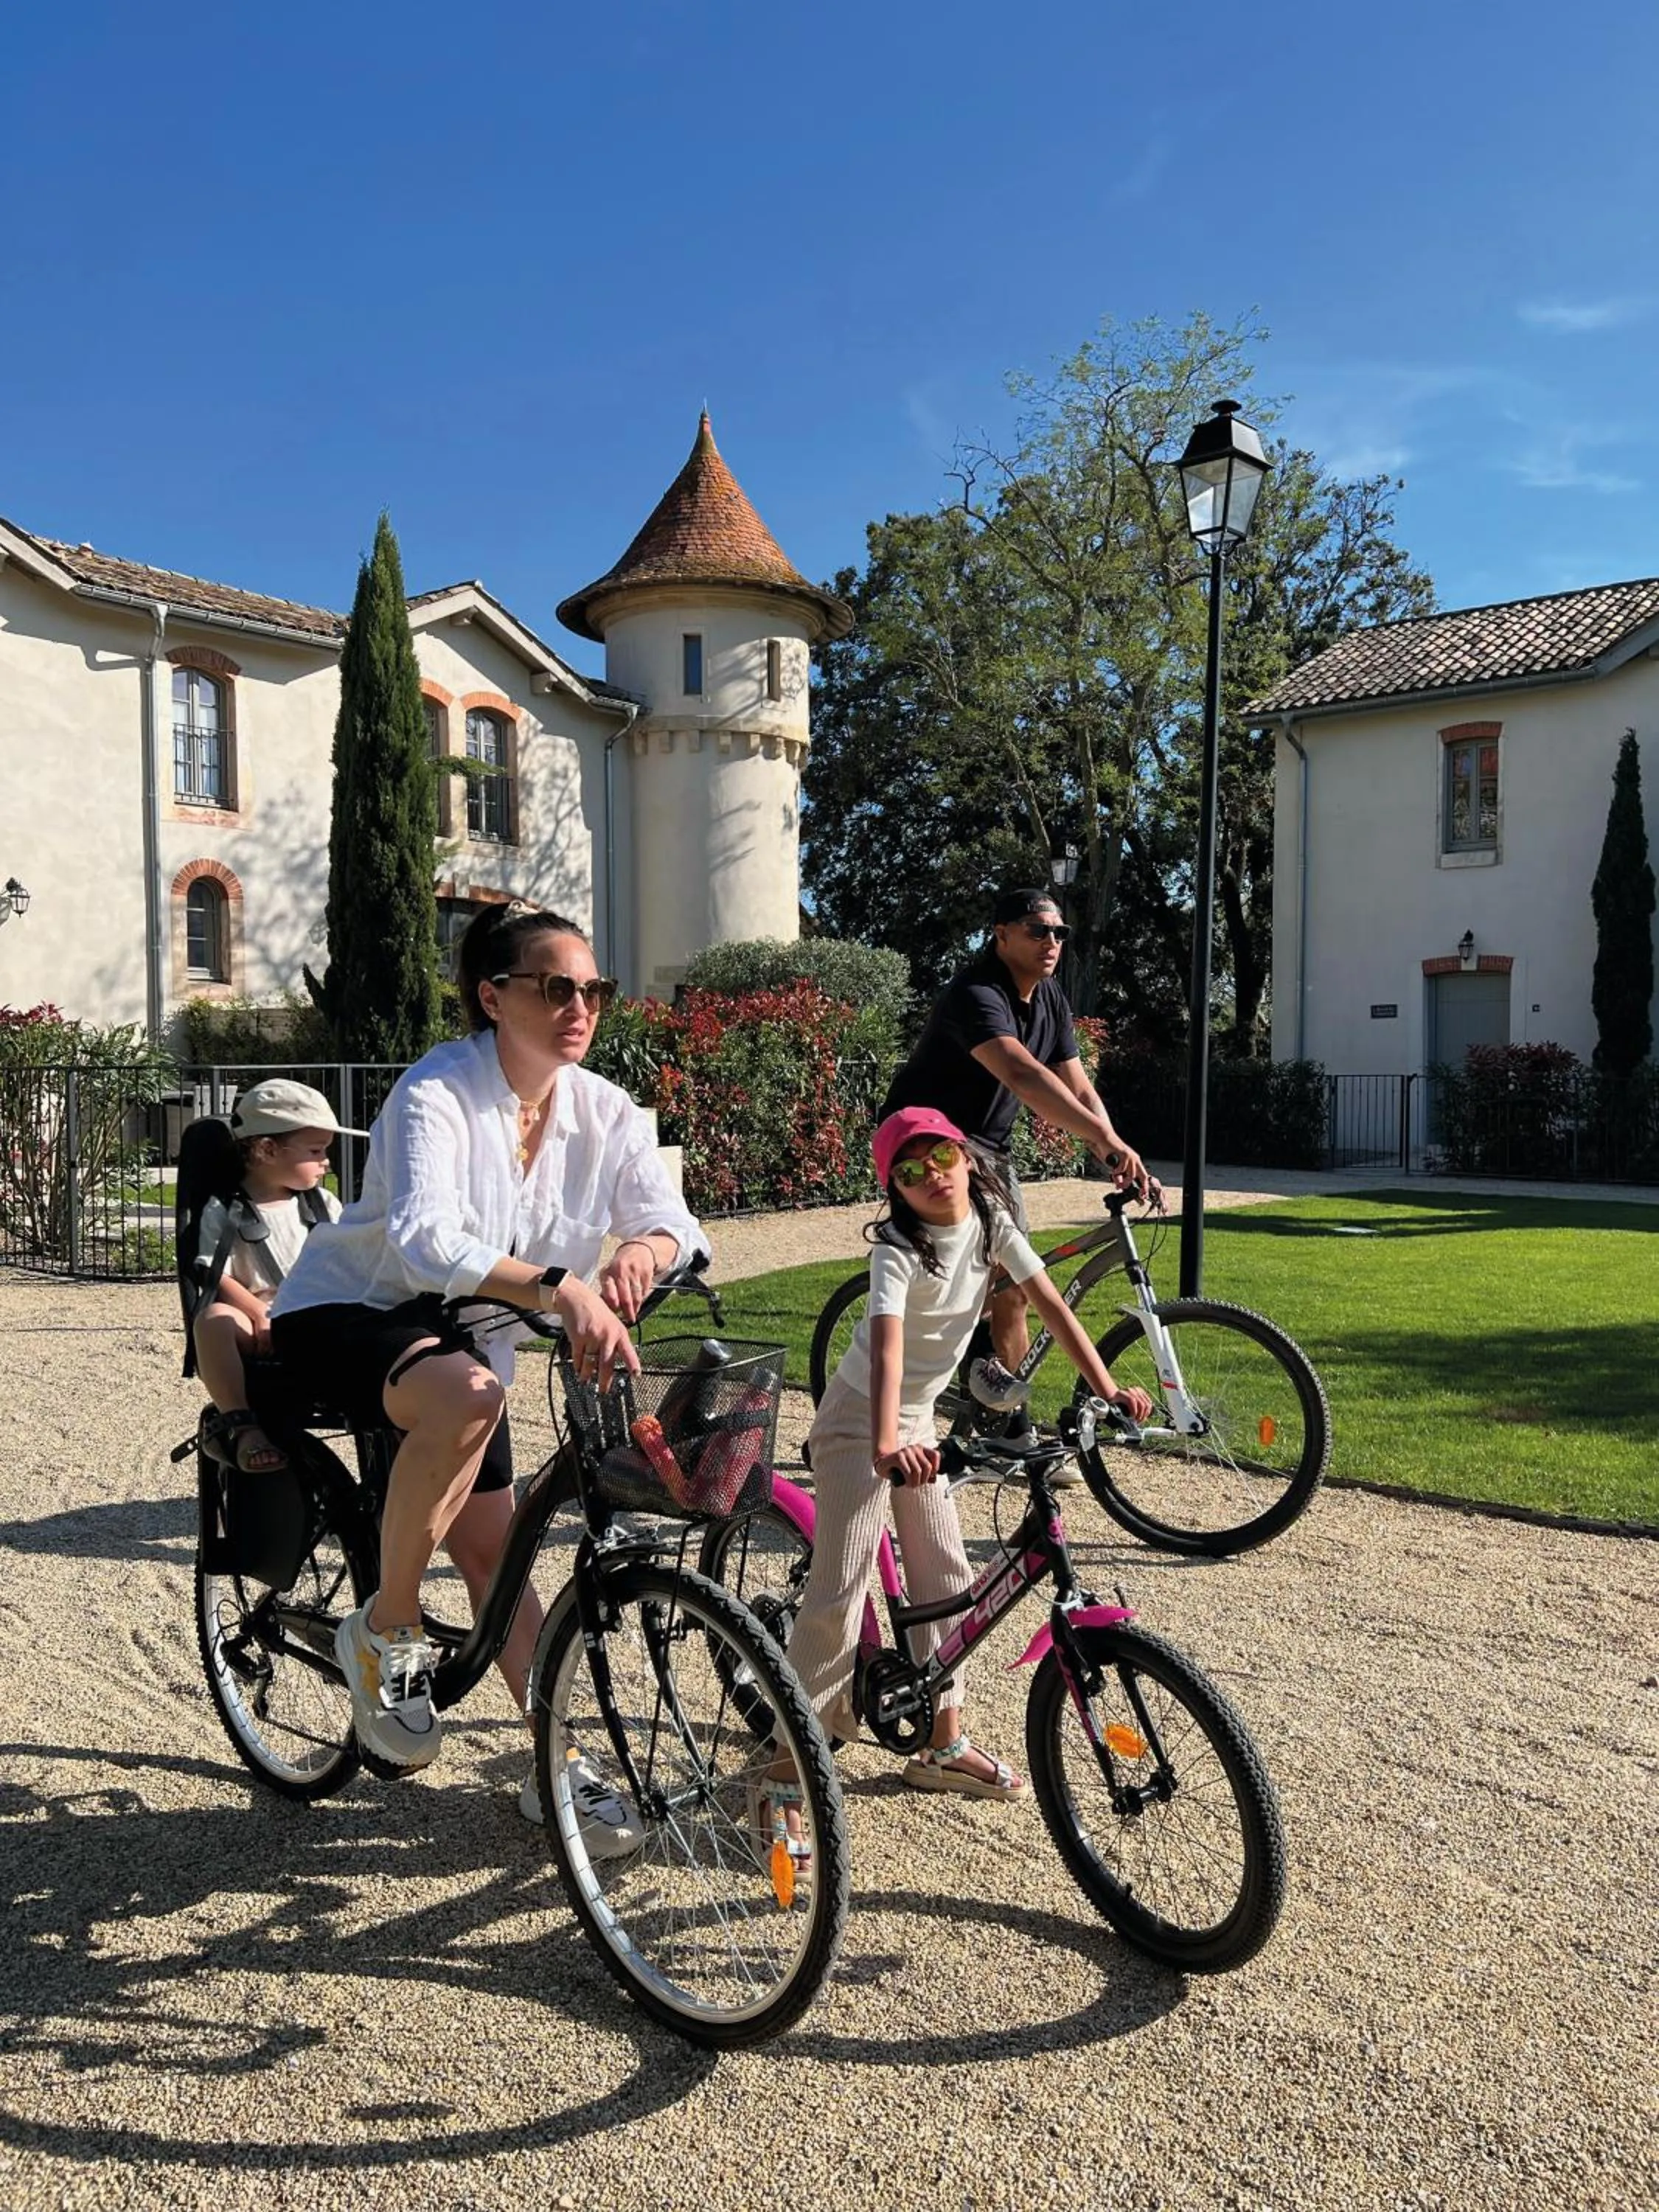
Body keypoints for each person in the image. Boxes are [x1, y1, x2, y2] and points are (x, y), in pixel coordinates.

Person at [268, 903, 706, 1846]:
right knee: (472, 1396)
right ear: (493, 997)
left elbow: (675, 1217)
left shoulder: (604, 1108)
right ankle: (384, 1633)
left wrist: (644, 1249)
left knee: (495, 1556)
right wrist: (561, 1290)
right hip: (354, 1311)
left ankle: (560, 1766)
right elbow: (426, 1240)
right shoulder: (439, 1092)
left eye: (594, 989)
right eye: (556, 988)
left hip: (468, 1334)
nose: (579, 1006)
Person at [777, 1107, 1153, 1812]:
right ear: (895, 1188)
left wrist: (1108, 1389)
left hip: (914, 1420)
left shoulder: (992, 1226)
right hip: (863, 1419)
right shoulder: (896, 1249)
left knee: (947, 1574)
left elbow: (1050, 1304)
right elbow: (887, 1344)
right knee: (841, 1583)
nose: (933, 1178)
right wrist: (886, 1443)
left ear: (966, 1157)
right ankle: (784, 1765)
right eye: (910, 1172)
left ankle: (940, 1745)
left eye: (941, 1158)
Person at [881, 886, 1152, 1377]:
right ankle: (893, 1375)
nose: (1051, 940)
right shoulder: (977, 995)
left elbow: (1079, 1089)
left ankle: (1004, 1415)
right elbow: (1023, 1075)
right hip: (927, 1143)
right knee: (981, 1275)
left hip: (988, 1147)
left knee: (1014, 1283)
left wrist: (1114, 1149)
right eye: (1038, 931)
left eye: (1059, 932)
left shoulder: (1050, 997)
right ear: (1002, 936)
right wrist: (1107, 1143)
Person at [190, 1079, 347, 1477]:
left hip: (316, 1320)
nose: (326, 1161)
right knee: (211, 1322)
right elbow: (212, 1271)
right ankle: (242, 1426)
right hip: (257, 1321)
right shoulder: (225, 1210)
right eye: (315, 1151)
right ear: (266, 1150)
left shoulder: (324, 1205)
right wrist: (258, 1312)